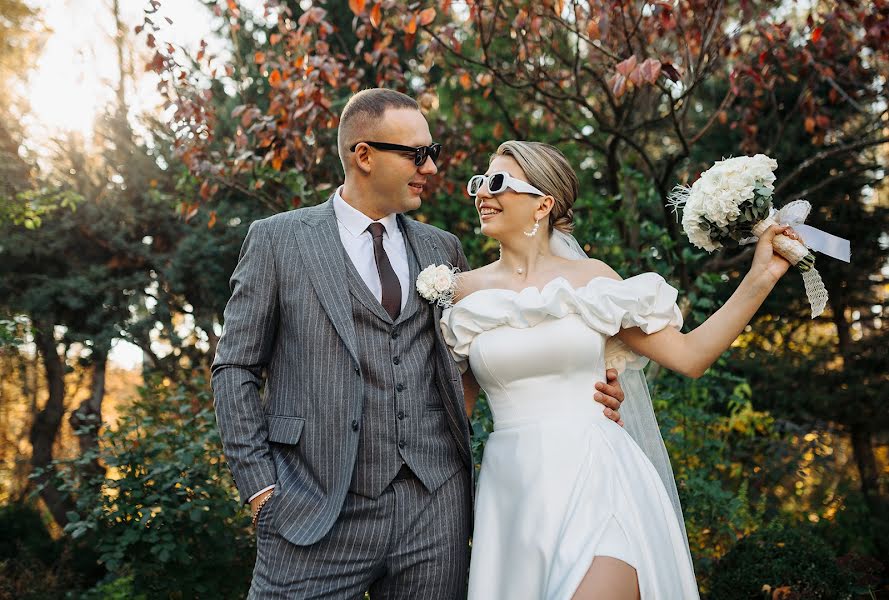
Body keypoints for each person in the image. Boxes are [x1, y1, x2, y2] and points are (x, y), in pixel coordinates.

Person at [211, 89, 627, 598]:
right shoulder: (279, 240)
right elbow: (234, 367)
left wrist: (586, 382)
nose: (431, 167)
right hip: (314, 508)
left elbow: (490, 348)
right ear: (363, 155)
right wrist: (260, 488)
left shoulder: (441, 248)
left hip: (434, 511)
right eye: (417, 154)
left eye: (431, 153)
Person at [440, 140, 798, 599]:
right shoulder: (465, 294)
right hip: (512, 493)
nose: (481, 195)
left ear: (543, 205)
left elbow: (689, 357)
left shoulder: (594, 282)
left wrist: (760, 277)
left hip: (597, 475)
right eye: (479, 184)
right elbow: (455, 412)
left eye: (497, 183)